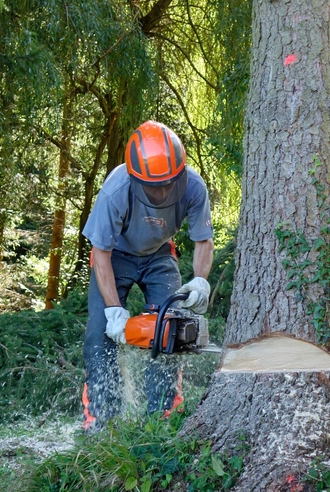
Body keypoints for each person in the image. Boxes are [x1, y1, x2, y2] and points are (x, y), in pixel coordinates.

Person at [81, 120, 214, 431]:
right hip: (115, 255)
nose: (164, 190)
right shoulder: (116, 189)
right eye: (156, 186)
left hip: (158, 254)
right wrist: (114, 311)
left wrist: (200, 280)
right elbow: (100, 253)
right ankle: (100, 421)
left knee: (172, 331)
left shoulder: (194, 187)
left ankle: (163, 416)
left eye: (170, 182)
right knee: (99, 334)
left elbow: (202, 241)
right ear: (137, 177)